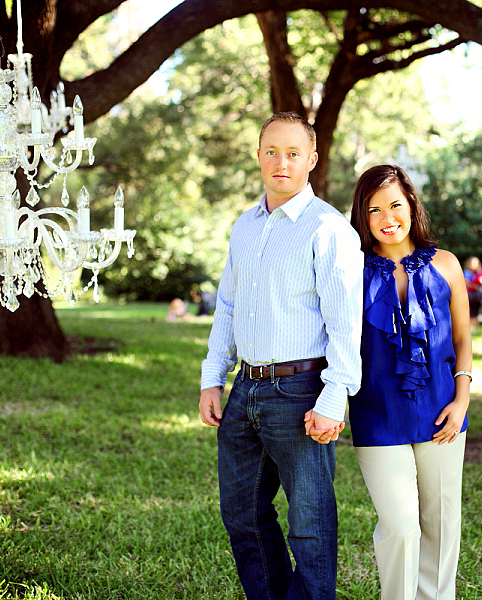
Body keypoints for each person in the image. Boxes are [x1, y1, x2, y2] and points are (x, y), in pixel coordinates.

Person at [198, 112, 364, 600]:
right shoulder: (244, 227)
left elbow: (345, 323)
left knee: (310, 526)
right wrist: (214, 377)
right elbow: (228, 305)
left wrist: (334, 397)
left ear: (311, 160)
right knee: (242, 516)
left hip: (301, 391)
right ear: (258, 155)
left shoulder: (328, 230)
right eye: (272, 151)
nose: (281, 162)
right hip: (245, 388)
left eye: (293, 153)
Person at [348, 165, 472, 600]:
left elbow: (461, 339)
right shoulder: (351, 270)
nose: (387, 217)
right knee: (401, 528)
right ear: (362, 216)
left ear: (411, 205)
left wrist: (462, 401)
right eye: (374, 209)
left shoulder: (447, 264)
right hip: (377, 416)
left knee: (441, 525)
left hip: (442, 413)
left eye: (395, 205)